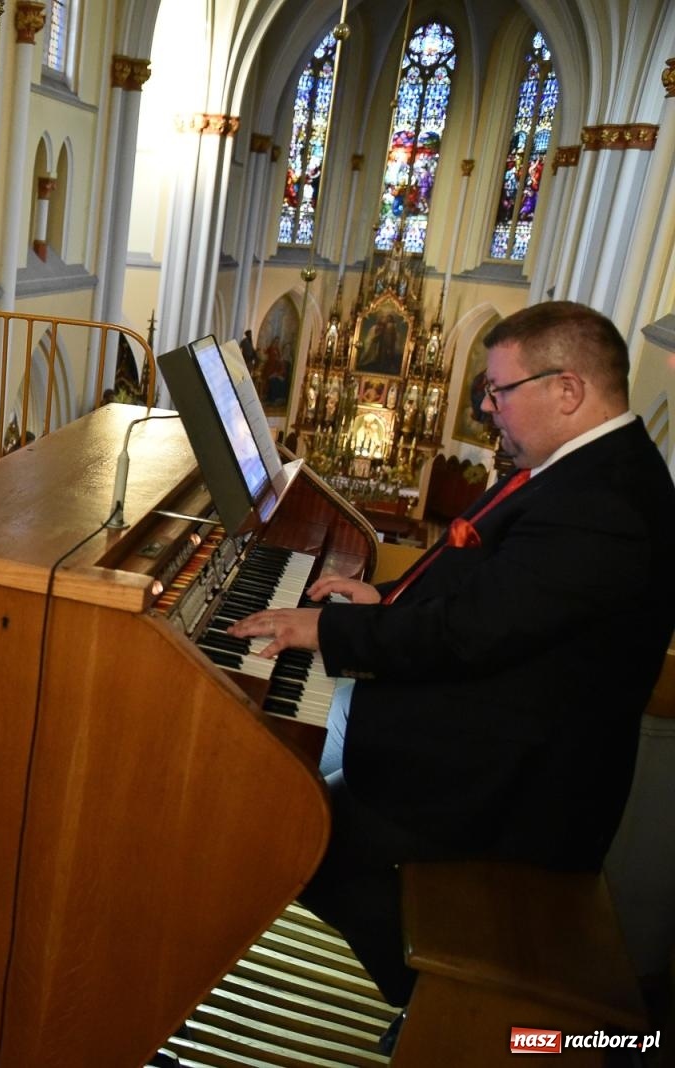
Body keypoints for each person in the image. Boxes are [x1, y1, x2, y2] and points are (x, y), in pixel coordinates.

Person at [228, 301, 675, 1025]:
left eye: (500, 391)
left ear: (568, 390)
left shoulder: (605, 502)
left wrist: (327, 631)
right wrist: (382, 600)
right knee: (302, 784)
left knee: (287, 832)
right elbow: (494, 591)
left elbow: (471, 633)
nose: (489, 409)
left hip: (503, 798)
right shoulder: (578, 469)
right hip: (485, 750)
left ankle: (428, 1019)